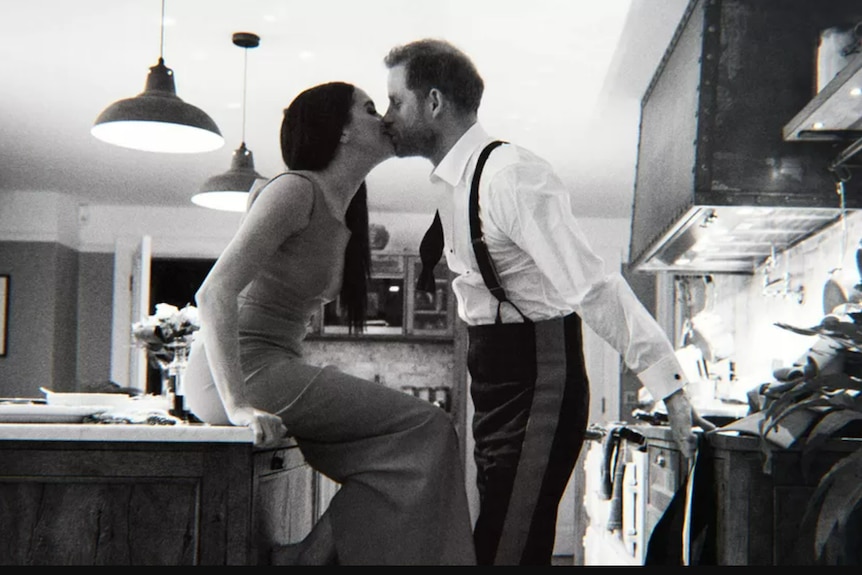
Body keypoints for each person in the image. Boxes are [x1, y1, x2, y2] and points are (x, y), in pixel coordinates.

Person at [381, 39, 710, 566]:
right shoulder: (450, 182)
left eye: (396, 102)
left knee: (508, 547)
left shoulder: (510, 174)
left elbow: (593, 286)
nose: (387, 116)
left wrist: (669, 385)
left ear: (434, 102)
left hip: (540, 376)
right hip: (491, 378)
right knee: (500, 539)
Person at [182, 81, 476, 566]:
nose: (383, 117)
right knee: (429, 428)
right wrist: (238, 407)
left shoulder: (344, 209)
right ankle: (307, 560)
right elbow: (214, 292)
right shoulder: (297, 190)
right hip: (237, 373)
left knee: (407, 452)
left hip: (270, 364)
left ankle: (307, 558)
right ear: (339, 131)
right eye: (368, 108)